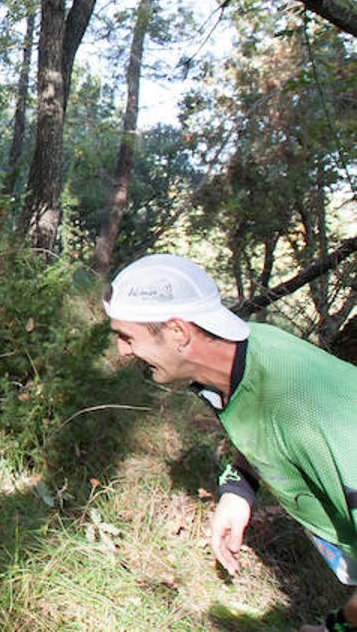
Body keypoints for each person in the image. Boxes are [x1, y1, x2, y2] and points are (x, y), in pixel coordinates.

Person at [105, 254, 356, 632]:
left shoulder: (308, 408)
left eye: (127, 337)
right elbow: (265, 421)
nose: (123, 352)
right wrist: (240, 489)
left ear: (178, 332)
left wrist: (338, 626)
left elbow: (295, 421)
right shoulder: (242, 357)